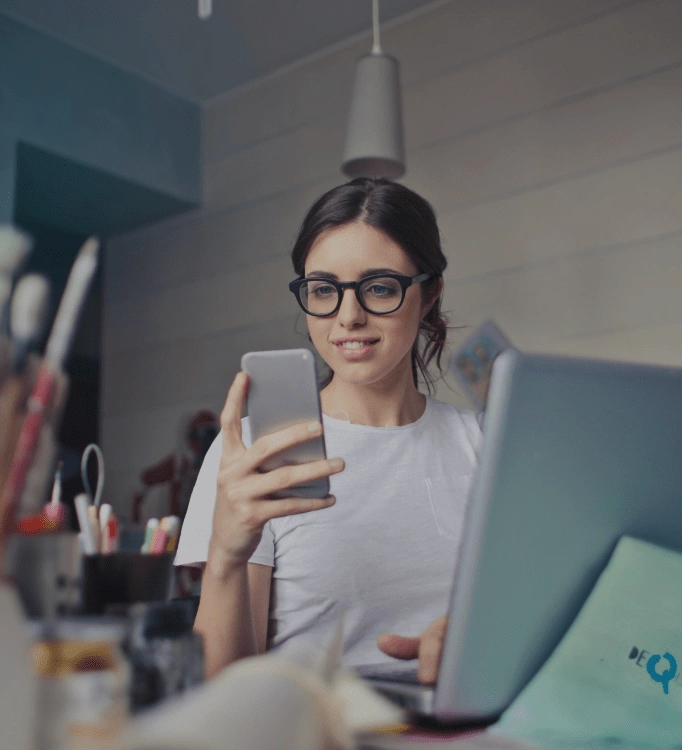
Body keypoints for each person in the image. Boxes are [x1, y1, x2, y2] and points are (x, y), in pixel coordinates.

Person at [175, 178, 482, 684]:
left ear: (429, 295)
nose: (348, 317)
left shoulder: (484, 445)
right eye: (323, 290)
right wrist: (226, 555)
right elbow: (223, 692)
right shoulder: (257, 452)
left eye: (379, 287)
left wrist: (476, 642)